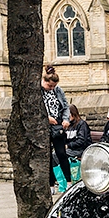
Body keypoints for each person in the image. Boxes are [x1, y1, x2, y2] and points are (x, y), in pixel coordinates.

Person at [41, 65, 72, 193]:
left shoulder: (58, 91)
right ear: (44, 81)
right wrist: (46, 118)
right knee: (47, 155)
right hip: (44, 127)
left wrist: (66, 119)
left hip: (58, 126)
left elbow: (65, 106)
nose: (52, 88)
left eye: (54, 86)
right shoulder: (38, 92)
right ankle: (51, 184)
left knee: (61, 154)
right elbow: (36, 109)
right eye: (50, 86)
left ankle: (69, 182)